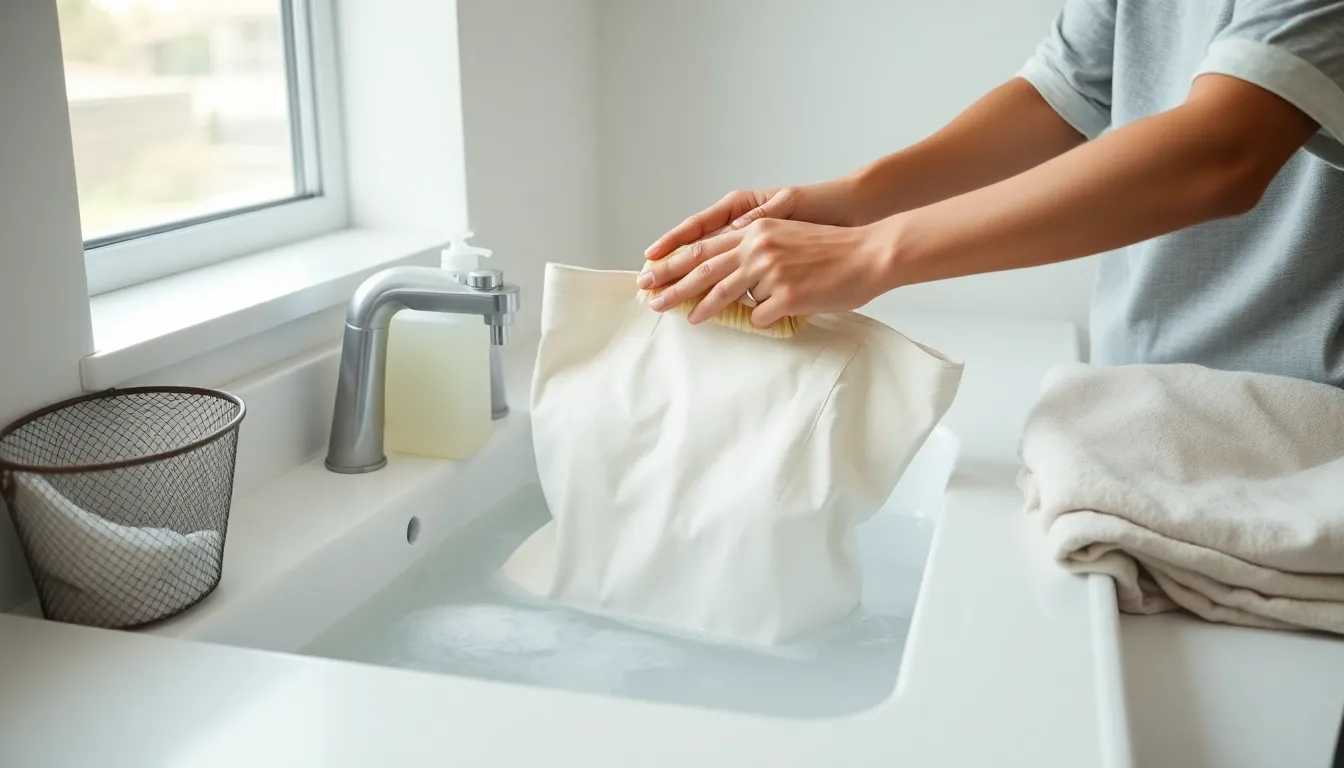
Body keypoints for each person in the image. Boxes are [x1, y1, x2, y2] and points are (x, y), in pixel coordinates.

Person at [638, 0, 1344, 388]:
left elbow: (1223, 152)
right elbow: (1065, 93)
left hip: (1308, 426)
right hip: (1147, 396)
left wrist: (870, 254)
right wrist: (856, 201)